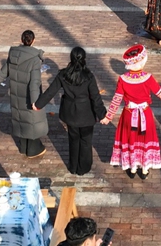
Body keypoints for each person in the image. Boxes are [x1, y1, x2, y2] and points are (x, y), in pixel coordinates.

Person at [101, 45, 161, 179]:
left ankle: (133, 167)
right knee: (145, 140)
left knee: (131, 139)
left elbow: (116, 99)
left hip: (129, 114)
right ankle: (145, 168)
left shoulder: (122, 79)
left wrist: (108, 116)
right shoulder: (148, 78)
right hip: (144, 114)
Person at [33, 47, 107, 175]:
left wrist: (38, 104)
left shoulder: (63, 74)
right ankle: (83, 167)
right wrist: (102, 115)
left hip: (70, 113)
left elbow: (50, 92)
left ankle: (73, 167)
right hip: (86, 113)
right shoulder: (88, 76)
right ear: (84, 59)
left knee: (73, 139)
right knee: (85, 141)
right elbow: (96, 98)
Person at [0, 30, 50, 158]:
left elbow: (3, 72)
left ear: (21, 40)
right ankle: (33, 149)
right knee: (31, 121)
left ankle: (23, 147)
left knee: (20, 120)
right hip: (28, 95)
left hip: (16, 94)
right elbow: (34, 82)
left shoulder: (13, 54)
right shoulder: (35, 59)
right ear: (33, 41)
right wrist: (35, 101)